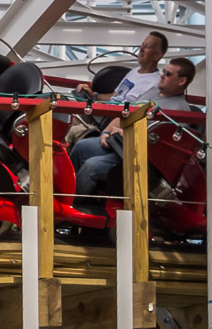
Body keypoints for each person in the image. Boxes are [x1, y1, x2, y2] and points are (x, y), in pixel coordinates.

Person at [69, 57, 195, 214]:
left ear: (182, 81)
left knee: (92, 166)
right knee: (82, 146)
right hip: (118, 145)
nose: (162, 75)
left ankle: (71, 204)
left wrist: (128, 135)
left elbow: (161, 149)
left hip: (137, 157)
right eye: (164, 71)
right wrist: (107, 132)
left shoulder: (180, 110)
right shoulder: (153, 91)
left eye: (168, 74)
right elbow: (127, 113)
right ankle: (61, 193)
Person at [75, 31, 168, 104]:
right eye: (142, 45)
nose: (141, 49)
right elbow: (115, 96)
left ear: (157, 56)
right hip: (103, 113)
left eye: (147, 47)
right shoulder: (133, 72)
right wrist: (93, 95)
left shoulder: (155, 84)